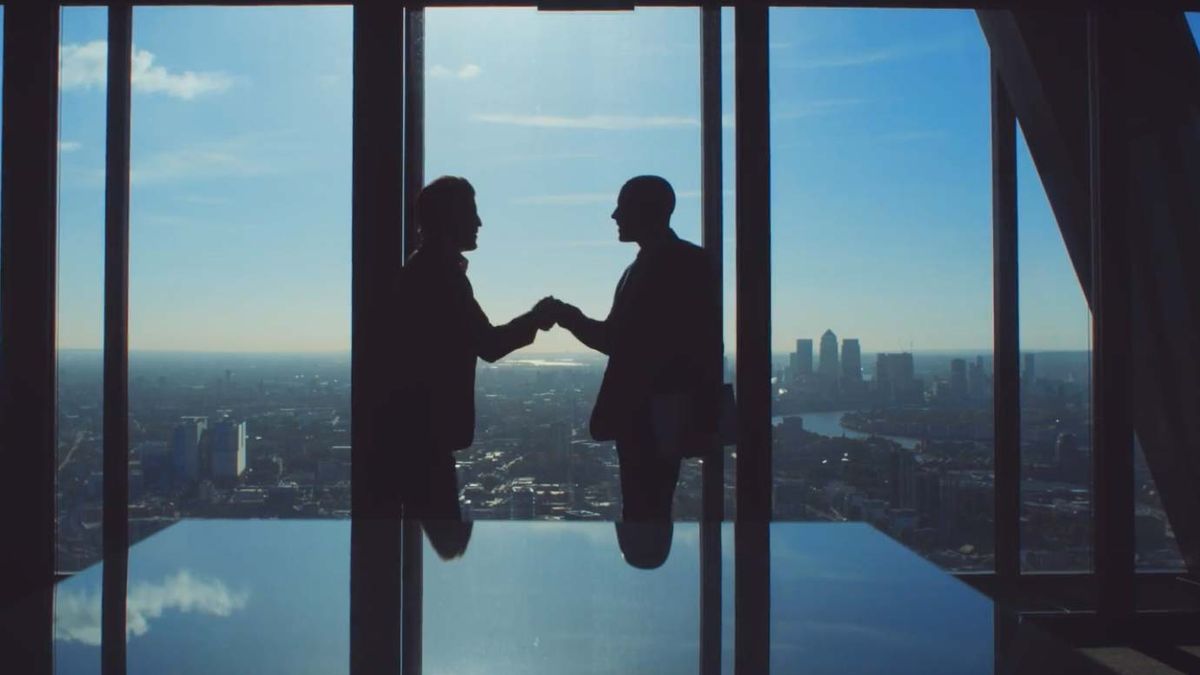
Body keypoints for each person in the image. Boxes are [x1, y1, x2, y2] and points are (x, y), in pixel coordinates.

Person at [552, 175, 720, 521]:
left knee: (645, 506)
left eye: (622, 207)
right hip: (663, 413)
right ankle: (649, 561)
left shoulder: (660, 264)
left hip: (650, 416)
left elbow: (617, 342)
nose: (614, 216)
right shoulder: (679, 261)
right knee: (651, 505)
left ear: (646, 211)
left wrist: (569, 318)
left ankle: (646, 561)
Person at [392, 176, 558, 520]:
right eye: (472, 213)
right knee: (442, 538)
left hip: (413, 433)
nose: (479, 223)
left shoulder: (424, 269)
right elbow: (490, 344)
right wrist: (536, 318)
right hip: (427, 436)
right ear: (449, 218)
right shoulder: (440, 275)